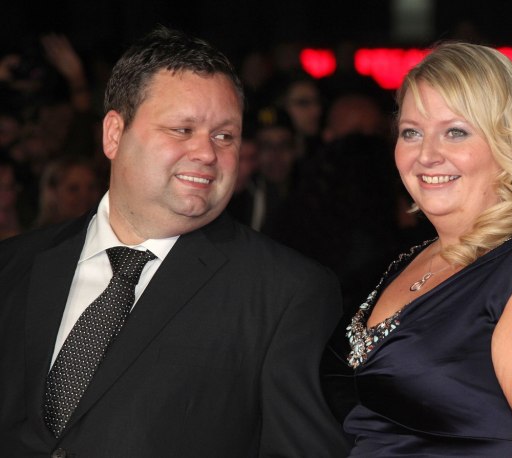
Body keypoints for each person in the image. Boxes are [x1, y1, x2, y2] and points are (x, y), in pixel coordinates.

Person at [0, 26, 347, 457]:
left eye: (225, 136)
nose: (207, 153)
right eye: (182, 129)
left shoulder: (285, 293)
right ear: (114, 134)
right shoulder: (13, 266)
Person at [322, 42, 512, 457]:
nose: (427, 155)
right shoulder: (413, 258)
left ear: (508, 142)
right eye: (411, 132)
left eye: (455, 131)